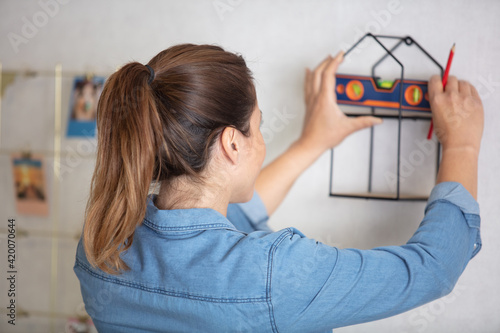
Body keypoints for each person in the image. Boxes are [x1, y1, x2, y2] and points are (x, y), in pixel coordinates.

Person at [74, 44, 483, 332]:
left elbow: (205, 239)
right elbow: (432, 269)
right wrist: (462, 145)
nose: (262, 138)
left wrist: (312, 142)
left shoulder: (101, 245)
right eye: (260, 125)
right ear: (232, 143)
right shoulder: (277, 276)